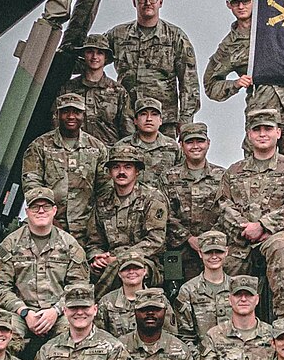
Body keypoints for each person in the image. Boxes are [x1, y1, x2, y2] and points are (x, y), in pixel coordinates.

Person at [219, 109, 284, 321]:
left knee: (281, 248)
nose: (262, 134)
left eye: (268, 129)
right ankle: (228, 326)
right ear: (249, 134)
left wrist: (263, 226)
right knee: (223, 260)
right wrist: (246, 228)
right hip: (242, 237)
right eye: (257, 130)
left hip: (281, 234)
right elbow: (224, 205)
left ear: (278, 133)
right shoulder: (233, 172)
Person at [204, 0, 284, 158]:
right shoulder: (229, 46)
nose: (241, 6)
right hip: (260, 116)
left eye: (245, 1)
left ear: (254, 1)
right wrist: (235, 84)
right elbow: (210, 86)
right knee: (256, 169)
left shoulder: (277, 25)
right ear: (229, 5)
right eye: (236, 2)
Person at [0, 185, 90, 343]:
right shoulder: (10, 245)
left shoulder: (70, 245)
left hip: (59, 313)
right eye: (35, 207)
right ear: (27, 211)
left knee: (74, 331)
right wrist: (24, 312)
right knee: (4, 334)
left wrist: (56, 310)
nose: (41, 211)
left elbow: (79, 286)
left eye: (46, 206)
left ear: (54, 210)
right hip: (20, 313)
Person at [106, 0, 200, 136]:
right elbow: (93, 58)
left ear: (160, 2)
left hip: (164, 119)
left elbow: (189, 81)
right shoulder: (118, 35)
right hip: (127, 117)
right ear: (134, 2)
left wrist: (185, 119)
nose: (147, 3)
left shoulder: (175, 36)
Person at [19, 94, 110, 240]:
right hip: (48, 226)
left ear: (83, 115)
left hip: (87, 229)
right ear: (58, 114)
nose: (71, 116)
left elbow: (105, 188)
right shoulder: (39, 146)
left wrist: (97, 224)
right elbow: (32, 185)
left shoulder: (97, 148)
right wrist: (49, 219)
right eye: (66, 111)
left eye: (76, 112)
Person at [89, 142, 169, 290]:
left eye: (127, 167)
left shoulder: (152, 198)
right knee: (90, 269)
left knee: (125, 268)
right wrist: (97, 257)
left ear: (137, 171)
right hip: (110, 260)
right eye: (116, 167)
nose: (121, 172)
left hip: (146, 261)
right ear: (109, 172)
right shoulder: (102, 201)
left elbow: (155, 240)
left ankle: (98, 300)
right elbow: (94, 241)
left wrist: (119, 258)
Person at [163, 123, 228, 267]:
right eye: (189, 142)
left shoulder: (222, 176)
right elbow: (164, 214)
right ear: (181, 145)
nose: (195, 146)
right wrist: (189, 238)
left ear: (208, 143)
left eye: (200, 141)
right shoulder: (168, 177)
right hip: (178, 249)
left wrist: (209, 239)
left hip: (215, 250)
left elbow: (227, 211)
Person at [69, 31, 133, 146]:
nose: (94, 57)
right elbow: (57, 124)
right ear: (83, 55)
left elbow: (128, 131)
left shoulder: (118, 91)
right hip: (75, 151)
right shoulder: (69, 89)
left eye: (100, 53)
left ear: (106, 58)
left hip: (108, 152)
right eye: (90, 52)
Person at [173, 232, 233, 349]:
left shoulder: (236, 288)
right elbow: (184, 336)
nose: (214, 256)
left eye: (219, 252)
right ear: (200, 253)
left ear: (226, 252)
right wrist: (199, 357)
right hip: (202, 356)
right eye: (208, 252)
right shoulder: (188, 290)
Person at [96, 257, 169, 341]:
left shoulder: (159, 299)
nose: (131, 272)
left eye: (136, 268)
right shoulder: (107, 302)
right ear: (119, 273)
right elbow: (100, 336)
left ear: (144, 271)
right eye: (126, 269)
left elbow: (170, 334)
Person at [127, 98, 184, 187]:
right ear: (135, 120)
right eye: (143, 114)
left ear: (161, 120)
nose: (149, 119)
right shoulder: (123, 147)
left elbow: (182, 178)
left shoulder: (173, 147)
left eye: (154, 114)